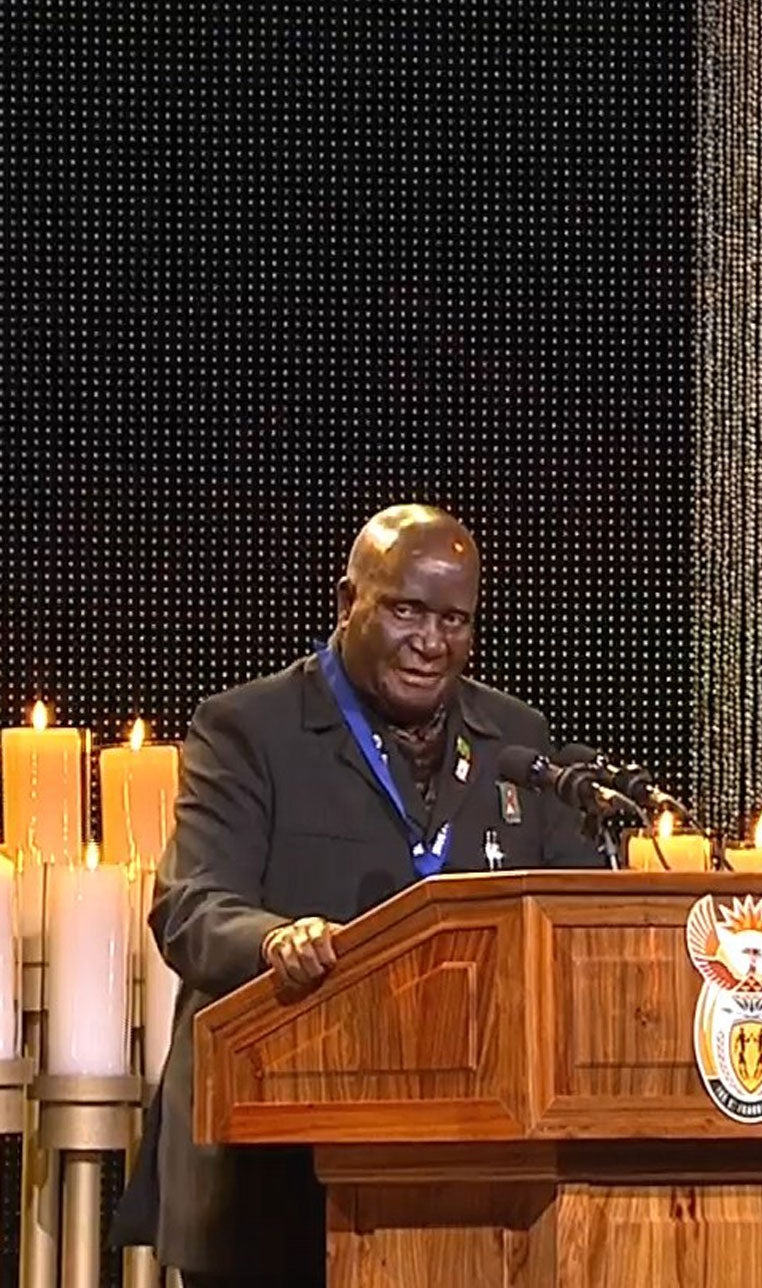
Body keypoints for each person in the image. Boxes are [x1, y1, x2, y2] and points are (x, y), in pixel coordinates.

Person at [111, 504, 603, 1286]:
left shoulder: (515, 740)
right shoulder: (249, 729)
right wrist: (276, 940)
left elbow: (581, 917)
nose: (431, 642)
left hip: (469, 1175)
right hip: (271, 1168)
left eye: (454, 619)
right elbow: (191, 905)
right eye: (406, 610)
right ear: (349, 604)